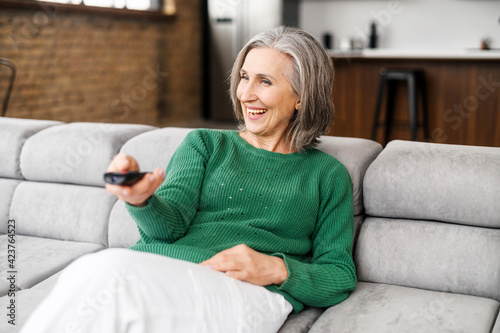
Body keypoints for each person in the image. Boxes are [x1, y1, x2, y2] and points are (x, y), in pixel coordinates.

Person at [20, 26, 356, 333]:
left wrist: (277, 269)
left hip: (245, 292)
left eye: (265, 82)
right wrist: (141, 200)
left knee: (107, 271)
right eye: (244, 77)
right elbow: (169, 228)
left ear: (302, 96)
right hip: (156, 268)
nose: (246, 94)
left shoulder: (326, 175)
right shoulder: (206, 144)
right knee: (91, 272)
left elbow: (339, 276)